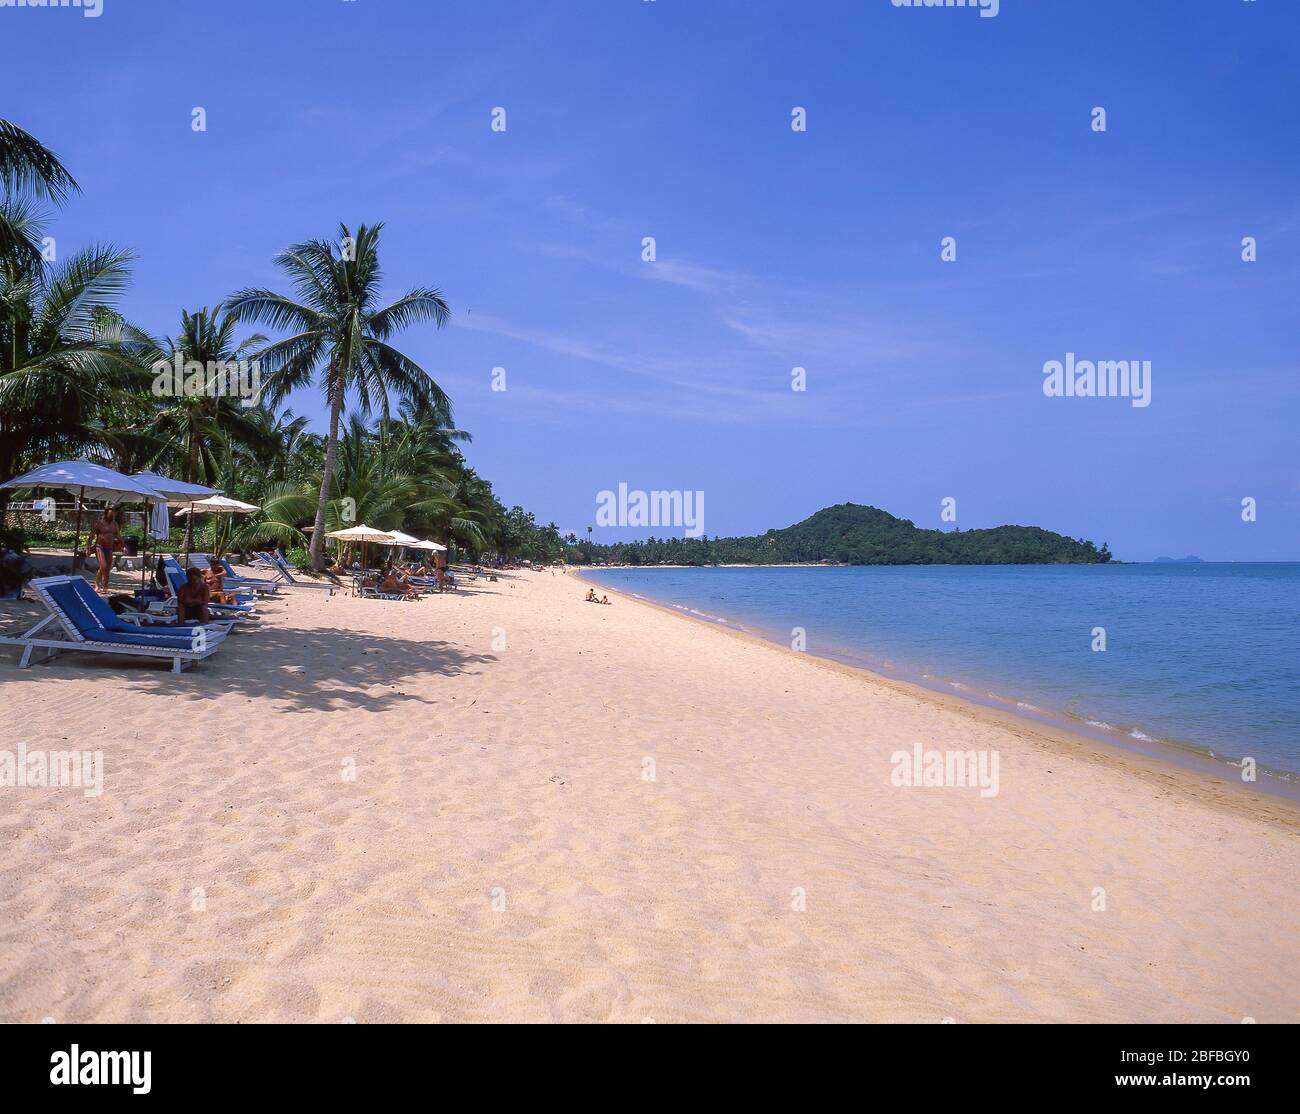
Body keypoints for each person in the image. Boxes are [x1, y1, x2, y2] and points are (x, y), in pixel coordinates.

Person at [87, 506, 123, 593]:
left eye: (113, 515)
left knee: (108, 568)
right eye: (110, 515)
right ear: (105, 514)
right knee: (103, 566)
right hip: (100, 547)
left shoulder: (115, 524)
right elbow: (91, 535)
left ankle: (105, 586)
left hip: (109, 548)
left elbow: (118, 536)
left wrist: (123, 546)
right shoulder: (99, 523)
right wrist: (88, 547)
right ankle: (96, 584)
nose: (112, 517)